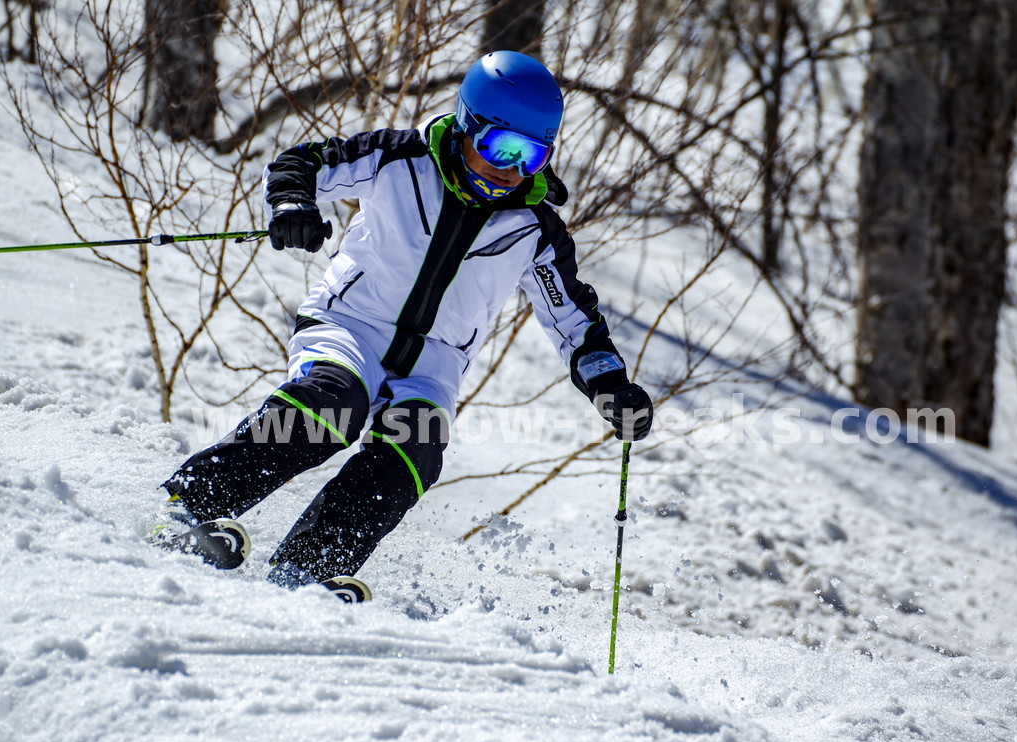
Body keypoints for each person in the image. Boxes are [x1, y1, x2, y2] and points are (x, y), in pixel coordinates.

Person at [154, 51, 653, 598]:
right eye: (497, 147)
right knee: (330, 407)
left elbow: (573, 319)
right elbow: (304, 163)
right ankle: (188, 506)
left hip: (432, 365)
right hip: (350, 324)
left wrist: (610, 385)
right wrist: (293, 205)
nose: (509, 169)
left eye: (529, 156)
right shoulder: (400, 157)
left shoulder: (535, 228)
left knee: (413, 450)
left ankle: (304, 571)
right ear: (466, 126)